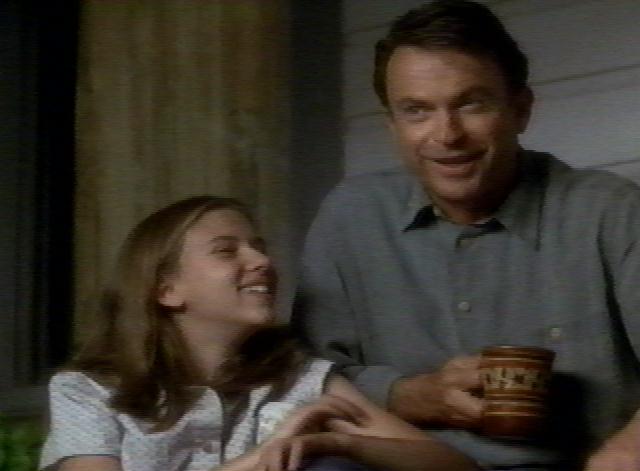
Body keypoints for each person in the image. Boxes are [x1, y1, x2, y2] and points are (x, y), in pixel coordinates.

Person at [291, 1, 640, 470]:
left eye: (470, 104)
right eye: (417, 111)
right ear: (392, 125)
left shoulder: (611, 211)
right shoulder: (350, 217)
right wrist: (409, 395)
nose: (447, 134)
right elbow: (304, 379)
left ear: (521, 109)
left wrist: (623, 455)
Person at [39, 195, 477, 471]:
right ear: (166, 290)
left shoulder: (300, 378)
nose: (262, 262)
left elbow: (454, 466)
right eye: (226, 251)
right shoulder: (87, 391)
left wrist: (339, 443)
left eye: (259, 248)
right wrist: (264, 455)